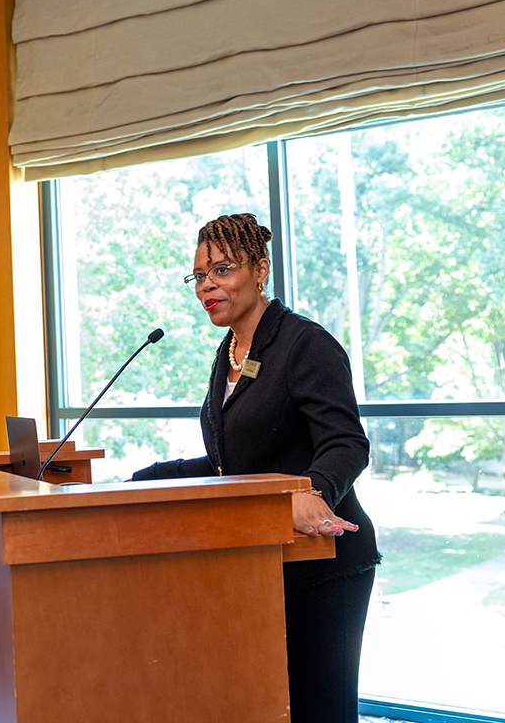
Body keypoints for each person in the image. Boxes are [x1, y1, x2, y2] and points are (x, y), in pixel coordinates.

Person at [131, 212, 379, 723]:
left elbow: (346, 442)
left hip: (323, 561)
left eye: (222, 270)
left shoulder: (304, 343)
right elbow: (237, 463)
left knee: (320, 708)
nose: (207, 286)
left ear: (261, 268)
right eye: (199, 275)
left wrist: (315, 489)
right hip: (261, 560)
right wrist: (150, 477)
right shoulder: (228, 354)